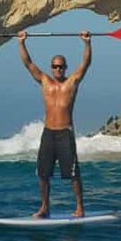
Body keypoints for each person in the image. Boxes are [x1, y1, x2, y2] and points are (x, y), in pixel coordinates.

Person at [17, 29, 91, 218]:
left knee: (73, 174)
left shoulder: (72, 83)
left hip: (65, 133)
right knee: (43, 173)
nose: (58, 69)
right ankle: (44, 207)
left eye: (61, 66)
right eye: (55, 66)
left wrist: (87, 43)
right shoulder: (44, 81)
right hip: (48, 133)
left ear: (65, 67)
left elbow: (85, 64)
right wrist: (21, 43)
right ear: (51, 67)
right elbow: (28, 63)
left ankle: (80, 207)